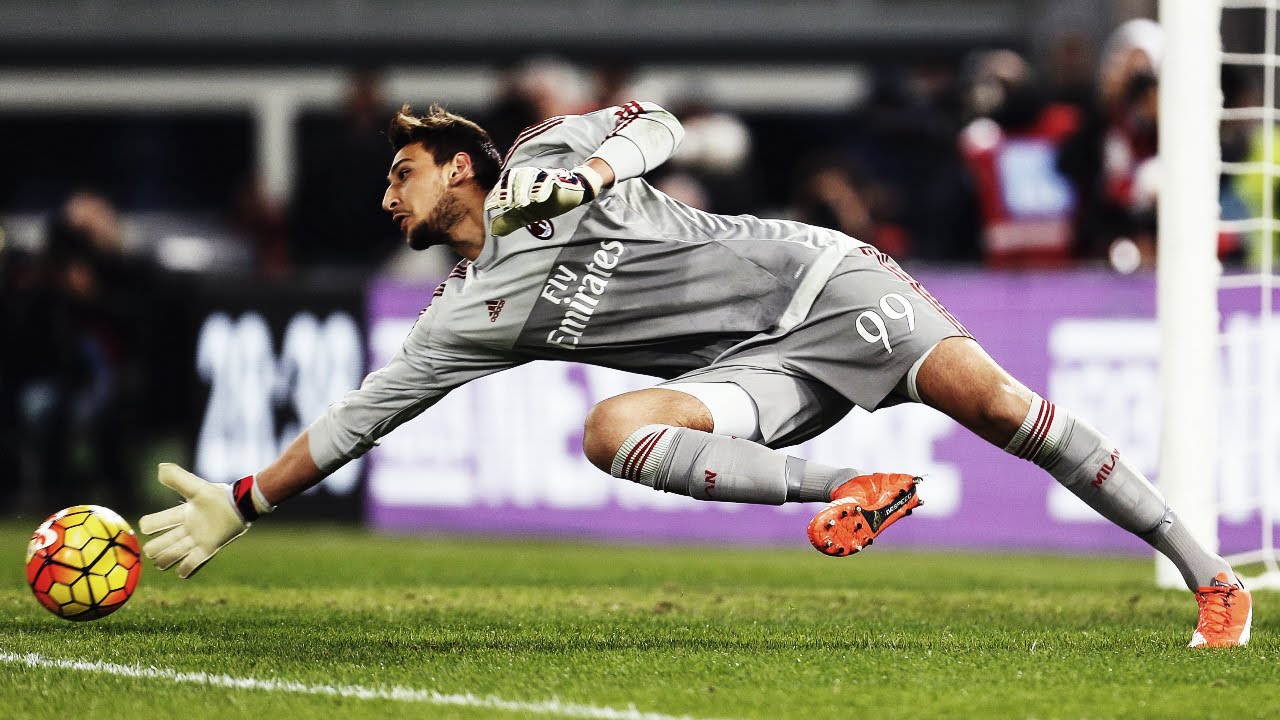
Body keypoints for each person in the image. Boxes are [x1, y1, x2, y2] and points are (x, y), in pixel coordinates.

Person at [140, 101, 1251, 648]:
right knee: (611, 429)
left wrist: (587, 177)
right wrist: (246, 500)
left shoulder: (540, 155)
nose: (389, 196)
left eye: (404, 174)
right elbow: (361, 416)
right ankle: (853, 489)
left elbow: (658, 123)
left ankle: (1211, 578)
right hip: (755, 369)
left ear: (462, 168)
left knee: (1003, 408)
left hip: (823, 283)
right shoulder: (461, 319)